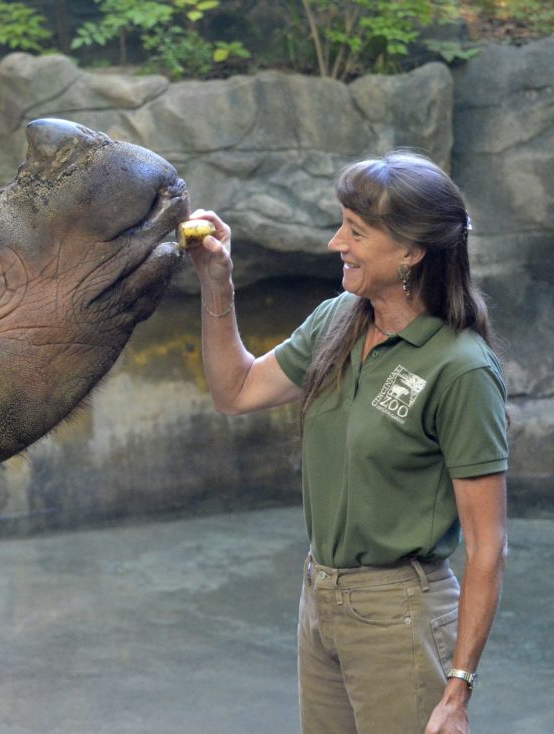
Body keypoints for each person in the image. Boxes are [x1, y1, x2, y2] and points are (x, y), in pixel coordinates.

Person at [187, 150, 508, 734]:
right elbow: (234, 392)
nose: (338, 243)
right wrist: (218, 281)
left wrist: (457, 689)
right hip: (321, 599)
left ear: (411, 252)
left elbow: (488, 547)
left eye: (356, 232)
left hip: (401, 614)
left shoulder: (461, 369)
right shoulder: (338, 319)